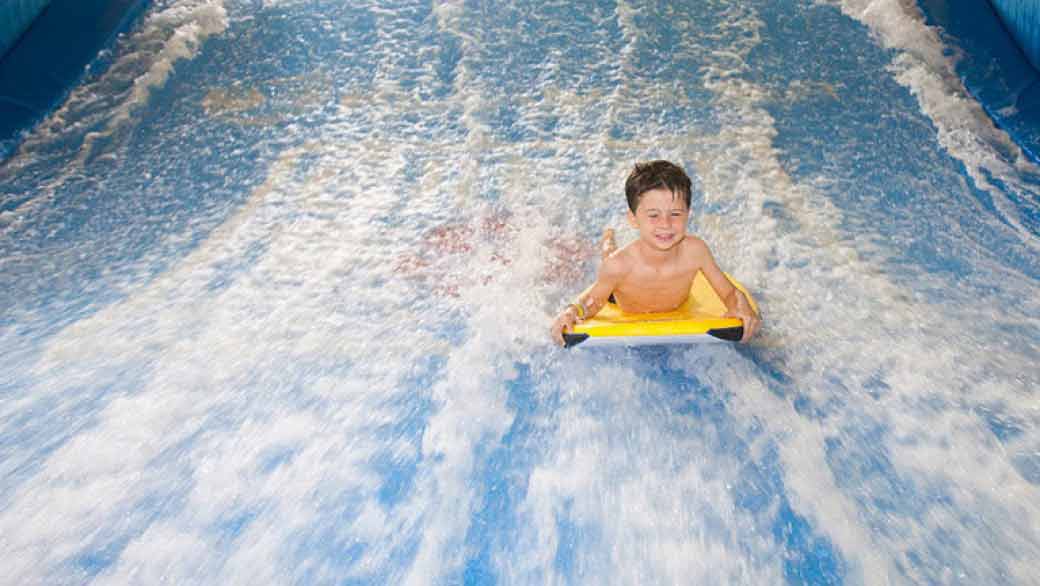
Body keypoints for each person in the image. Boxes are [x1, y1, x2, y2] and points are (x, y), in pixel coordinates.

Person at [551, 160, 761, 346]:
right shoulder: (619, 265)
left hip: (673, 303)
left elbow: (728, 292)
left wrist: (739, 305)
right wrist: (572, 311)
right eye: (653, 215)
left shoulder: (696, 251)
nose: (666, 224)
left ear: (688, 214)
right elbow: (594, 301)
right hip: (620, 295)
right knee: (609, 256)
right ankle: (608, 237)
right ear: (633, 219)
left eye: (675, 214)